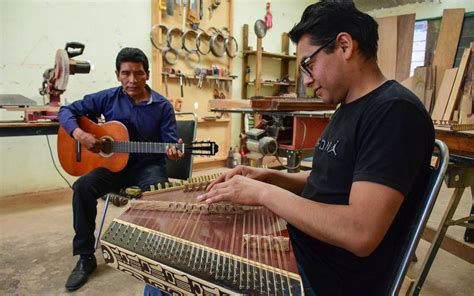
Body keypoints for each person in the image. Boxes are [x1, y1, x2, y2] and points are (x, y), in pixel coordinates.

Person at [197, 2, 435, 295]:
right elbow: (326, 183)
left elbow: (360, 232)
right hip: (302, 252)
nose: (307, 81)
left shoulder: (394, 113)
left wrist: (262, 193)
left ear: (344, 46)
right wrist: (267, 177)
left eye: (308, 65)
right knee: (182, 257)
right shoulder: (347, 107)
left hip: (326, 279)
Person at [58, 47, 182, 292]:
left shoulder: (163, 106)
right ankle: (85, 257)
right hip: (113, 166)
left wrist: (173, 150)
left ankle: (154, 257)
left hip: (148, 167)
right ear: (117, 75)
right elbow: (66, 111)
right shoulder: (108, 98)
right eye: (126, 73)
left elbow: (171, 142)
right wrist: (80, 134)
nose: (132, 80)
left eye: (138, 73)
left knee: (160, 195)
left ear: (147, 74)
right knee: (82, 187)